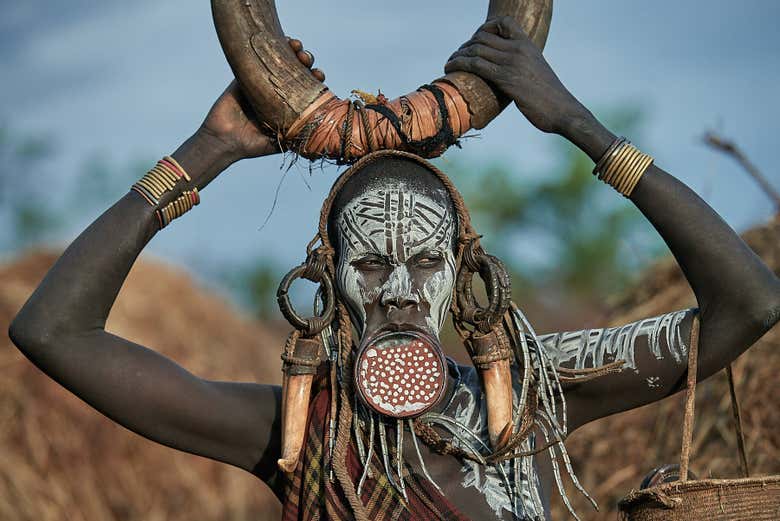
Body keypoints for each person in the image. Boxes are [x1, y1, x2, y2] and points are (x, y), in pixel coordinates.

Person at [9, 17, 780, 521]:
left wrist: (578, 124)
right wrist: (207, 150)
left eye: (424, 261)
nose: (404, 291)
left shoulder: (538, 396)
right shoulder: (292, 428)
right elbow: (53, 330)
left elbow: (747, 303)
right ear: (328, 280)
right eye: (373, 263)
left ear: (464, 272)